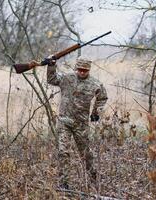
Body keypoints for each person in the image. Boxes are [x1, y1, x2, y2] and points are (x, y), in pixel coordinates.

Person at [29, 56, 108, 189]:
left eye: (85, 70)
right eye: (80, 69)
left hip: (81, 124)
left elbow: (102, 98)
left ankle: (95, 182)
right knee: (63, 152)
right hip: (64, 122)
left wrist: (96, 112)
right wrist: (51, 65)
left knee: (86, 154)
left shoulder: (95, 84)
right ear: (76, 68)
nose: (82, 72)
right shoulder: (67, 78)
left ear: (89, 70)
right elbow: (52, 79)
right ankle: (63, 184)